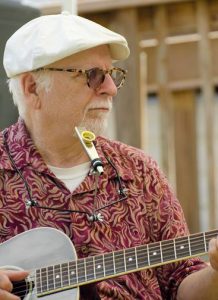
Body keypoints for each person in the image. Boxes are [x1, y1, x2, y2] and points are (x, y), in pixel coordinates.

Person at [0, 12, 218, 300]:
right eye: (93, 75)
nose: (111, 89)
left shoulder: (139, 171)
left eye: (113, 75)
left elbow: (181, 283)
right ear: (32, 87)